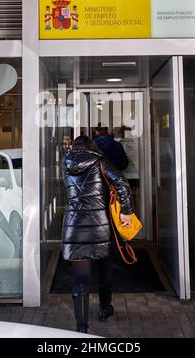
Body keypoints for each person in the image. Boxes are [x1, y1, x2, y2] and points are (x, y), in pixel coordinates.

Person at [61, 136, 134, 333]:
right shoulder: (100, 161)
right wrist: (127, 212)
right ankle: (104, 308)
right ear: (91, 146)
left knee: (80, 280)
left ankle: (82, 328)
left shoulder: (65, 163)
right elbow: (122, 184)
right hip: (99, 225)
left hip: (74, 226)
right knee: (104, 269)